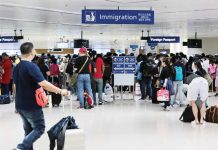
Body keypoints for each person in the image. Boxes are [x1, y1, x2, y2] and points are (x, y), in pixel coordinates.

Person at [13, 42, 68, 150]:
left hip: (20, 104)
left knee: (28, 131)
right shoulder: (31, 66)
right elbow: (44, 84)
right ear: (32, 51)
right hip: (31, 104)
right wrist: (60, 91)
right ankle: (21, 148)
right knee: (39, 128)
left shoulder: (16, 67)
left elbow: (15, 86)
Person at [187, 60, 208, 124]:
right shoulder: (203, 70)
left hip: (194, 84)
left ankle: (196, 120)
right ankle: (201, 119)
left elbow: (188, 82)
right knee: (203, 101)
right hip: (204, 83)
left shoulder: (194, 73)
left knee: (193, 102)